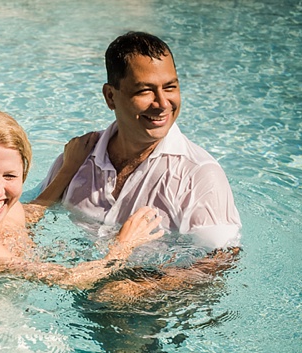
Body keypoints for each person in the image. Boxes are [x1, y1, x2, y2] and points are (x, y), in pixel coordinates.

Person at [38, 31, 241, 251]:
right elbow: (19, 223)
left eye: (170, 87)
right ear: (110, 97)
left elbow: (219, 260)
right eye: (145, 91)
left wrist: (136, 287)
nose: (162, 103)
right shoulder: (76, 159)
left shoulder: (198, 176)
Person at [0, 109, 163, 290]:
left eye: (10, 176)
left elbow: (34, 211)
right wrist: (123, 246)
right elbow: (70, 280)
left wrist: (69, 168)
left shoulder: (7, 211)